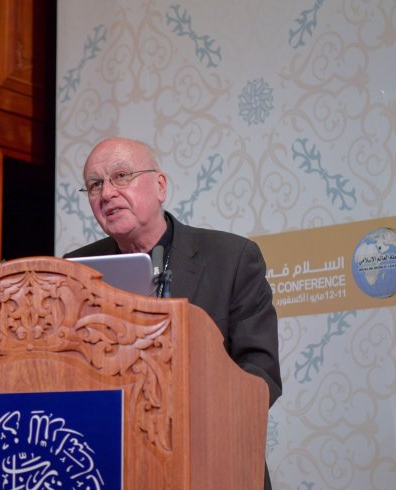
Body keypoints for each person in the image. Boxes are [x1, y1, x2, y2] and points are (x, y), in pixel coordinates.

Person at [64, 137, 281, 489]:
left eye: (121, 176)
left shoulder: (232, 258)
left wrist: (187, 414)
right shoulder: (75, 269)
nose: (107, 194)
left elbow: (261, 372)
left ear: (160, 186)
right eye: (94, 185)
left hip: (214, 464)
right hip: (111, 465)